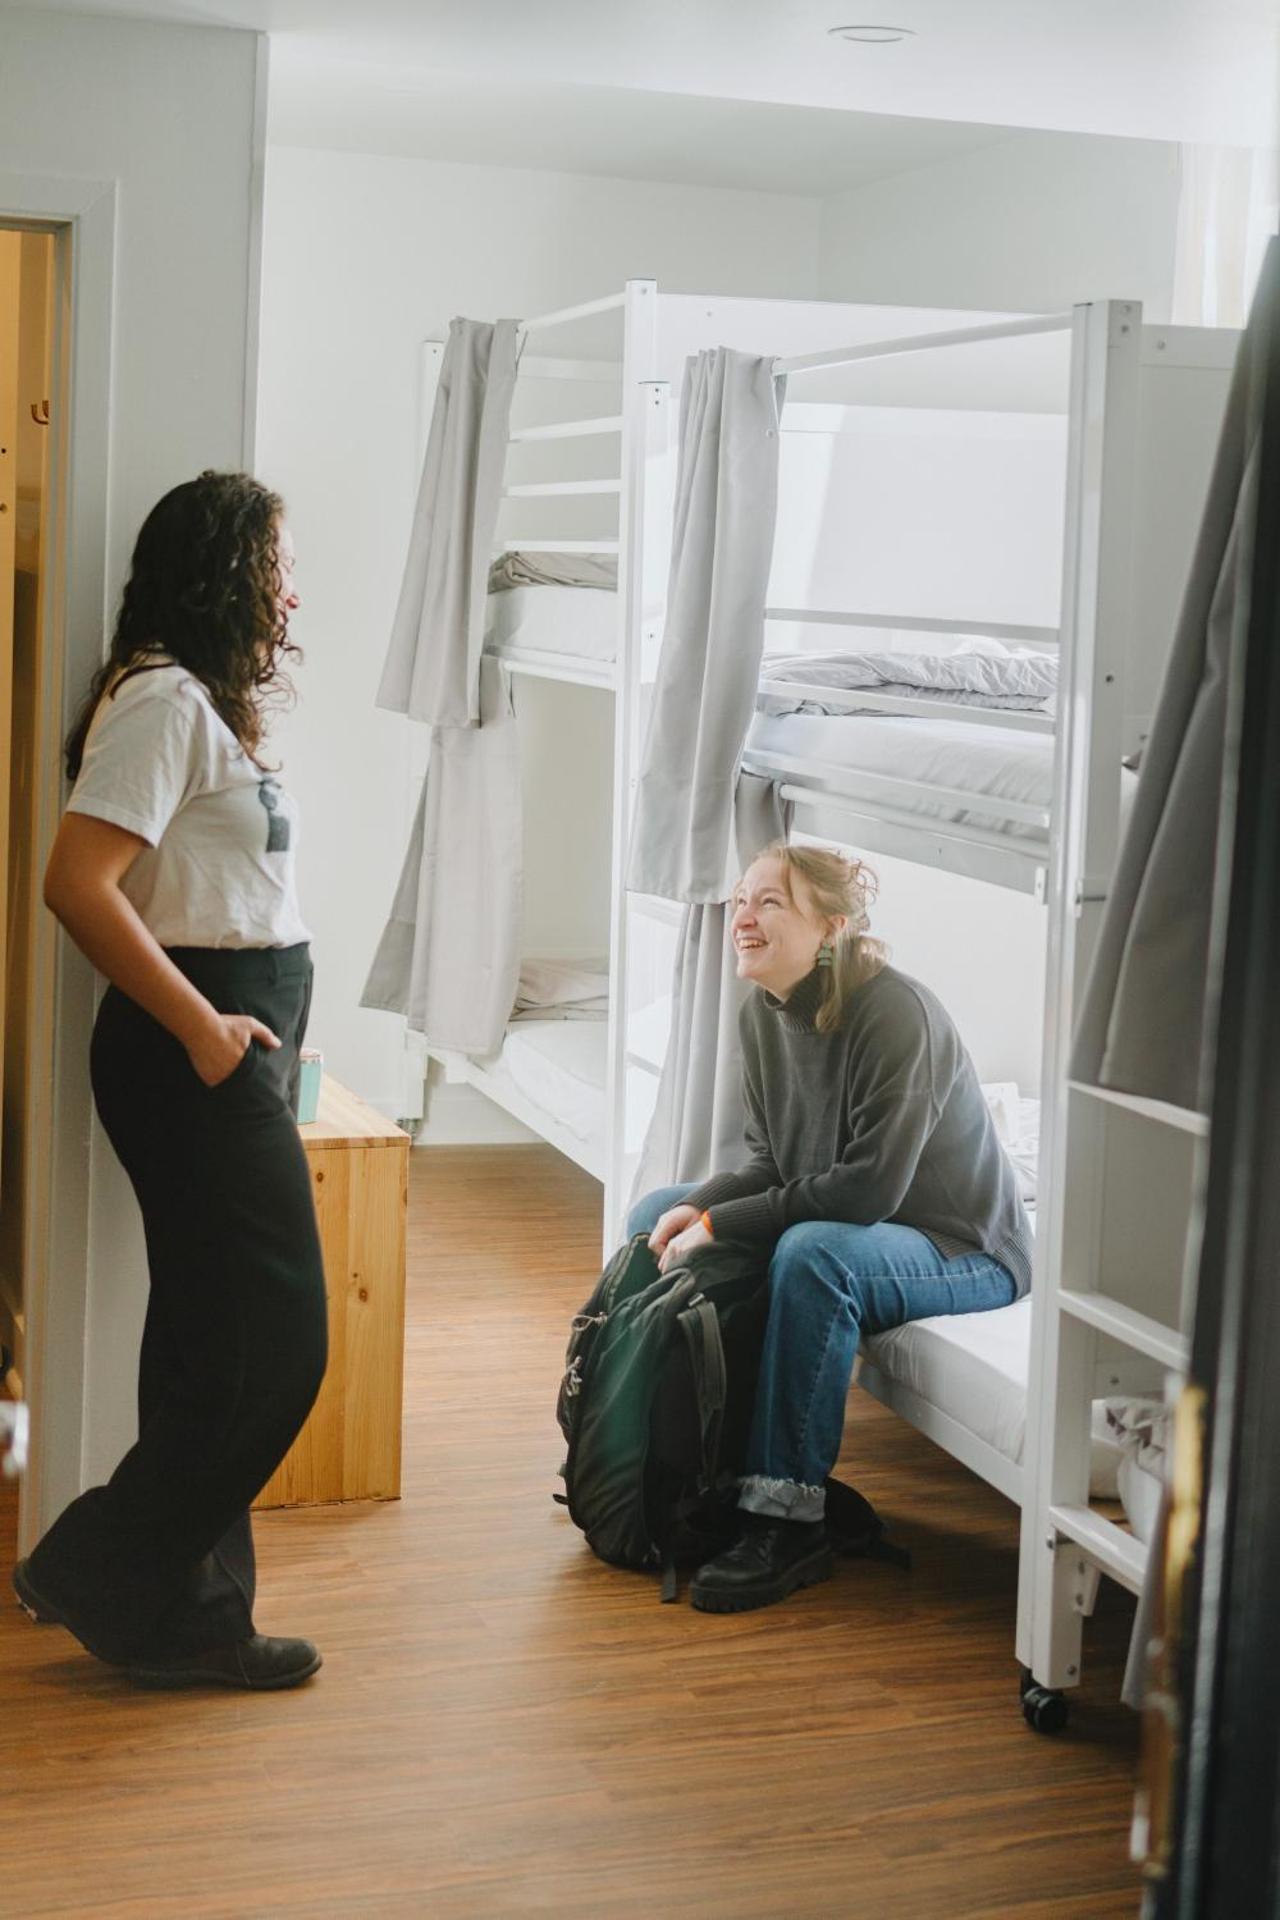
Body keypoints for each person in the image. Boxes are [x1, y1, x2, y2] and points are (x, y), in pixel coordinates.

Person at [13, 471, 328, 1690]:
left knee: (208, 1337)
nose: (290, 587)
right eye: (277, 561)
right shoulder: (160, 701)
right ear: (227, 568)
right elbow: (76, 885)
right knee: (277, 1343)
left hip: (230, 1036)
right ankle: (99, 1564)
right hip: (190, 1048)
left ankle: (187, 1615)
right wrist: (206, 1028)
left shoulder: (195, 704)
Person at [628, 841, 1032, 1614]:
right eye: (742, 899)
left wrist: (720, 1221)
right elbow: (766, 1163)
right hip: (873, 1226)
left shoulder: (896, 1013)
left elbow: (867, 1192)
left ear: (833, 927)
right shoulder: (763, 1014)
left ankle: (789, 1518)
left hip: (963, 1246)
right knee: (652, 1211)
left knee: (815, 1255)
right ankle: (683, 1470)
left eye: (771, 903)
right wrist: (701, 1206)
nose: (743, 916)